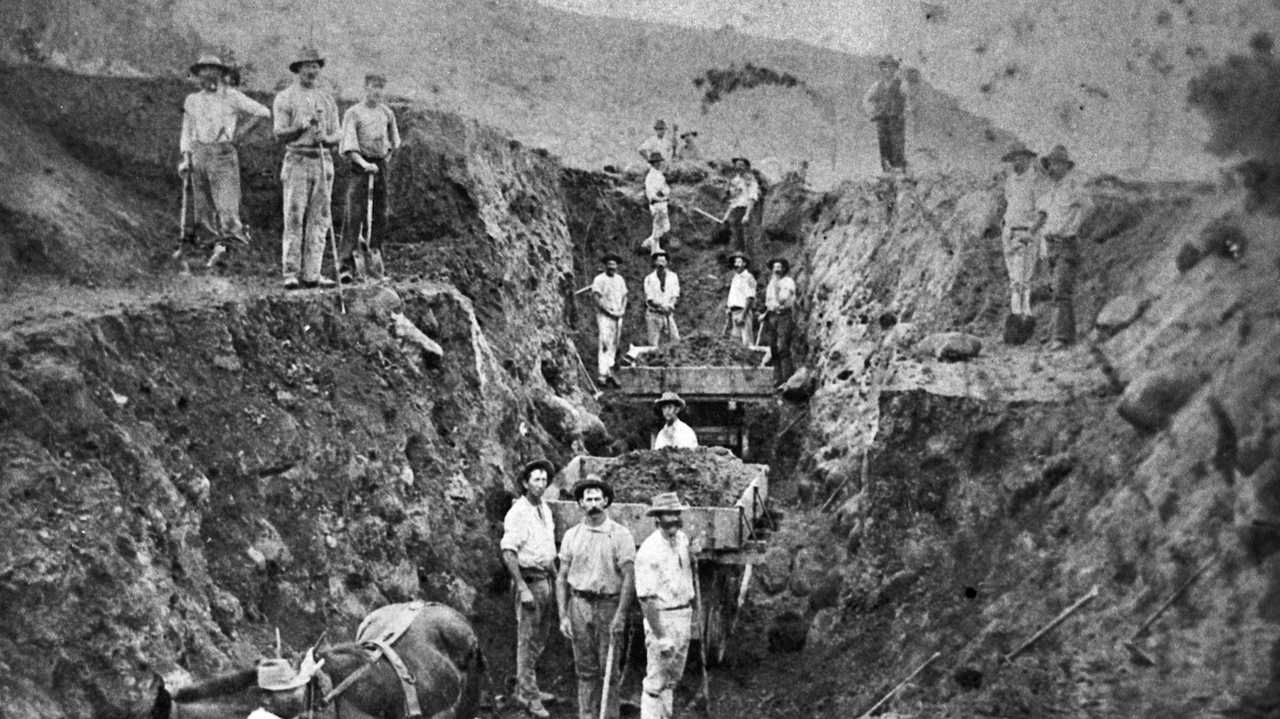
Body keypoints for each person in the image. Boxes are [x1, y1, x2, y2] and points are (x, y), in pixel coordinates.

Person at [178, 54, 271, 268]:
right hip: (198, 152)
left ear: (221, 74)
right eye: (202, 71)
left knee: (227, 207)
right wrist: (186, 158)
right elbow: (187, 130)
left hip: (222, 154)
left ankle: (234, 251)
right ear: (198, 75)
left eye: (212, 71)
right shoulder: (192, 100)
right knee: (202, 208)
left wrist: (239, 134)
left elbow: (263, 112)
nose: (207, 76)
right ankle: (209, 248)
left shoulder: (232, 96)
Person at [556, 475, 636, 719]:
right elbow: (561, 577)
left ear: (606, 502)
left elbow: (629, 578)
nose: (592, 503)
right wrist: (563, 615)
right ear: (580, 503)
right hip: (579, 605)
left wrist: (621, 615)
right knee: (585, 670)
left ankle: (609, 715)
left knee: (609, 669)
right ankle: (587, 715)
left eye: (597, 498)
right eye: (587, 498)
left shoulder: (620, 535)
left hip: (608, 605)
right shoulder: (572, 536)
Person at [272, 46, 341, 290]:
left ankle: (313, 273)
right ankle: (291, 272)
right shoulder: (286, 97)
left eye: (315, 66)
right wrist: (299, 127)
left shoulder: (327, 100)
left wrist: (327, 138)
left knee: (320, 219)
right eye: (306, 66)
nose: (311, 71)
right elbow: (279, 133)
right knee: (294, 215)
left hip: (322, 161)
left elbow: (338, 134)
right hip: (297, 162)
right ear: (298, 69)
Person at [500, 459, 560, 719]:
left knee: (540, 638)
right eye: (536, 479)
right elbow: (508, 552)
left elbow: (547, 551)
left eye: (544, 479)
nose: (541, 484)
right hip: (530, 582)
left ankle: (528, 686)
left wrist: (557, 579)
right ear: (525, 483)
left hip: (546, 579)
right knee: (526, 640)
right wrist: (522, 587)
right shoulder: (518, 513)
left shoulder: (544, 509)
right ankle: (529, 697)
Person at [633, 492, 696, 719]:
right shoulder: (649, 551)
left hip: (683, 615)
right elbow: (646, 600)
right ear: (657, 519)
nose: (673, 520)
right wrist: (661, 636)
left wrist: (693, 555)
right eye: (667, 515)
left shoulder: (682, 540)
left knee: (672, 680)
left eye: (675, 514)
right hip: (663, 618)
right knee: (656, 681)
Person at [339, 72, 401, 284]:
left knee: (380, 215)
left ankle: (374, 262)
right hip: (360, 166)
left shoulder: (387, 113)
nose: (377, 91)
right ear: (365, 87)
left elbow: (394, 142)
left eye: (381, 87)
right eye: (374, 86)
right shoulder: (354, 113)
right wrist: (365, 164)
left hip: (380, 166)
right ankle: (346, 265)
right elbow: (348, 146)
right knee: (354, 214)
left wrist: (384, 161)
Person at [1033, 145, 1089, 350]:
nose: (1053, 168)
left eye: (1058, 164)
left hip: (1067, 245)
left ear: (1066, 167)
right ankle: (1060, 334)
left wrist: (1074, 226)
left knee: (1061, 291)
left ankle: (1061, 338)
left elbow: (1088, 207)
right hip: (1051, 247)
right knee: (1056, 290)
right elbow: (1042, 218)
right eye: (1051, 164)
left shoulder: (1074, 188)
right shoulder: (1049, 193)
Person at [999, 141, 1044, 345]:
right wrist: (1005, 225)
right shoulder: (1010, 180)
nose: (1017, 161)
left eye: (1021, 157)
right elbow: (1010, 203)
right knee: (1013, 279)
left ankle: (1022, 317)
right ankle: (1016, 316)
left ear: (1028, 158)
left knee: (1022, 280)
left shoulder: (1035, 181)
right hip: (1009, 233)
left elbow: (1043, 213)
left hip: (1026, 233)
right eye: (1013, 158)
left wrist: (1032, 233)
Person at [862, 55, 908, 173]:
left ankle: (900, 175)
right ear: (882, 69)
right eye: (885, 67)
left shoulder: (901, 85)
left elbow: (909, 99)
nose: (888, 70)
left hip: (896, 121)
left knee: (897, 148)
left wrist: (904, 112)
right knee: (884, 148)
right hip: (882, 121)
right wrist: (873, 112)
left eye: (891, 67)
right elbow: (867, 99)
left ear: (895, 69)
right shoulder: (877, 85)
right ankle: (887, 175)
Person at [591, 253, 628, 387]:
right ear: (605, 265)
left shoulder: (620, 280)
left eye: (614, 265)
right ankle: (602, 374)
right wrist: (609, 311)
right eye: (609, 265)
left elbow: (625, 296)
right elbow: (596, 298)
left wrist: (622, 310)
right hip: (605, 316)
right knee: (605, 343)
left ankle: (610, 372)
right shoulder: (599, 279)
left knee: (615, 344)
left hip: (618, 315)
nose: (612, 268)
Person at [761, 258, 797, 386]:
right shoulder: (771, 284)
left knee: (783, 346)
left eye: (779, 267)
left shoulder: (788, 282)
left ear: (783, 269)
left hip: (784, 316)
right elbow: (768, 302)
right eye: (774, 267)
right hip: (772, 317)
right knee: (773, 348)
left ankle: (787, 379)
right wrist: (765, 314)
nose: (776, 269)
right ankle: (777, 379)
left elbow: (783, 299)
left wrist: (778, 288)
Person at [720, 157, 760, 253]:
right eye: (737, 165)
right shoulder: (734, 181)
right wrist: (726, 216)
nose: (739, 167)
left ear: (746, 167)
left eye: (741, 165)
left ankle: (745, 257)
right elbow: (733, 200)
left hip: (745, 210)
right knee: (733, 236)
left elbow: (752, 197)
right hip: (735, 210)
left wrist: (747, 214)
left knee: (745, 236)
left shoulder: (750, 180)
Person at [643, 251, 680, 345]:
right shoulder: (649, 279)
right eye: (658, 262)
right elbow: (650, 299)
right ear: (654, 263)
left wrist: (671, 305)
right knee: (653, 344)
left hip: (668, 314)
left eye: (663, 262)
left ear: (667, 263)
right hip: (654, 315)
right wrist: (662, 306)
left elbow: (675, 294)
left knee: (676, 340)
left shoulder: (673, 277)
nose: (661, 265)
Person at [641, 151, 672, 254]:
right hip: (656, 204)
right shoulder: (650, 176)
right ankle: (655, 249)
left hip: (663, 203)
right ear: (652, 163)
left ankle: (648, 242)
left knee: (666, 228)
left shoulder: (660, 175)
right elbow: (650, 192)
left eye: (659, 161)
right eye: (656, 162)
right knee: (658, 226)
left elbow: (665, 188)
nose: (659, 164)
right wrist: (659, 199)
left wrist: (666, 194)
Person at [724, 252, 757, 345]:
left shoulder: (748, 277)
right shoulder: (735, 278)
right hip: (733, 312)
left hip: (743, 311)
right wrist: (728, 309)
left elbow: (750, 297)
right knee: (735, 343)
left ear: (744, 264)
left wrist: (743, 315)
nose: (736, 265)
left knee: (747, 341)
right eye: (735, 262)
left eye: (739, 262)